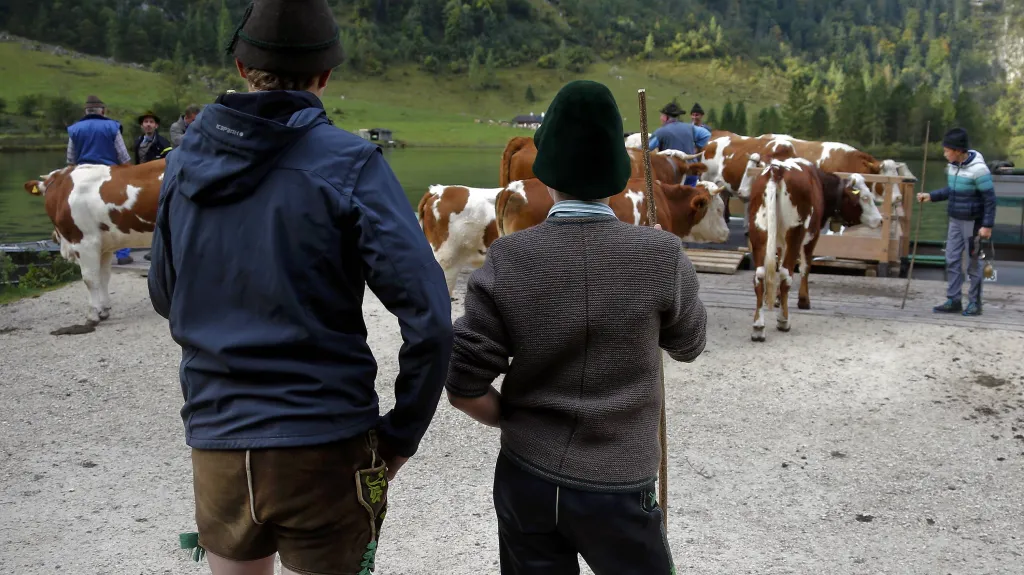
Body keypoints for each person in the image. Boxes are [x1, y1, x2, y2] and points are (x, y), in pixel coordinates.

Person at [146, 0, 454, 573]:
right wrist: (401, 436)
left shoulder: (183, 163)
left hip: (217, 437)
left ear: (242, 67)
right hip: (325, 443)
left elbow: (165, 295)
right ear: (326, 74)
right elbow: (432, 320)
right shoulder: (352, 163)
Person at [445, 79, 708, 575]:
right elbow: (689, 344)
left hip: (527, 480)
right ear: (617, 178)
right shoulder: (661, 254)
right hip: (621, 488)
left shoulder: (508, 256)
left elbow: (462, 386)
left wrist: (515, 421)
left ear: (545, 174)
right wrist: (670, 264)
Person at [916, 127, 996, 316]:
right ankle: (954, 300)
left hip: (973, 223)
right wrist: (931, 196)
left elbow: (990, 199)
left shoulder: (979, 170)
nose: (944, 154)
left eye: (947, 150)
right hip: (955, 220)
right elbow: (952, 191)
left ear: (958, 151)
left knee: (973, 264)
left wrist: (987, 225)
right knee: (951, 258)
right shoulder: (953, 166)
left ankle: (975, 303)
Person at [66, 95, 134, 265]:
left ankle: (88, 254)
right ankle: (123, 255)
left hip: (83, 178)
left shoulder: (74, 129)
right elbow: (123, 157)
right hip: (109, 177)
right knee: (118, 215)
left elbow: (70, 160)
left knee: (84, 217)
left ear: (86, 111)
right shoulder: (112, 126)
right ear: (102, 111)